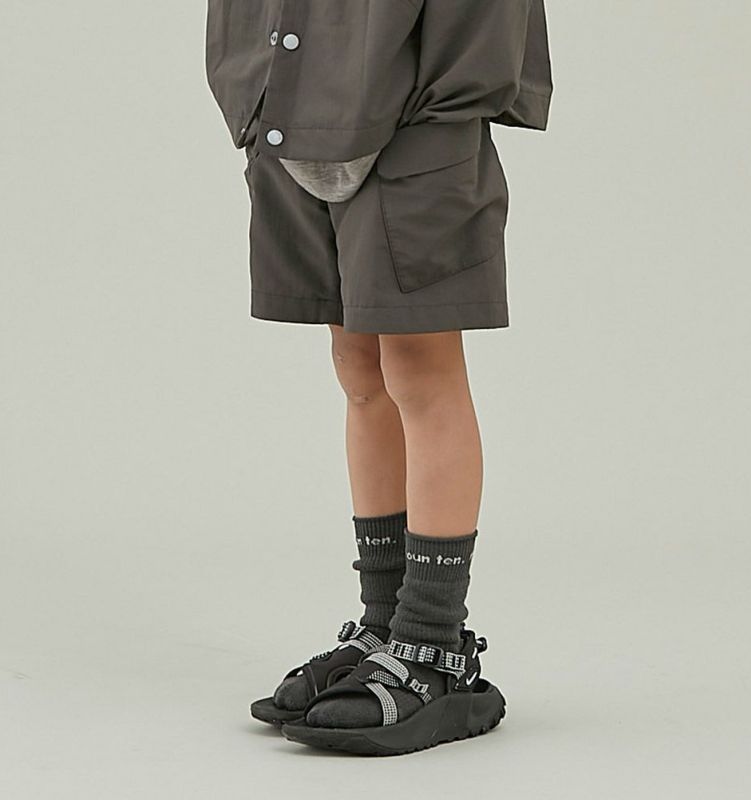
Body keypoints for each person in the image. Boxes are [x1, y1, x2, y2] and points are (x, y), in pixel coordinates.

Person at [205, 0, 553, 755]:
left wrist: (447, 110)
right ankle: (383, 626)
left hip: (415, 121)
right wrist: (249, 92)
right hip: (291, 111)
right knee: (360, 370)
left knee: (420, 371)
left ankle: (432, 644)